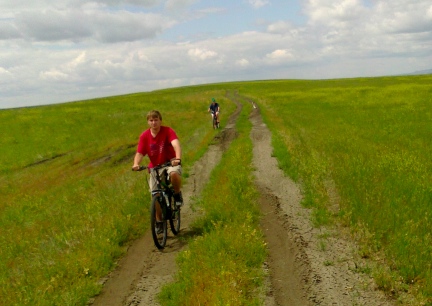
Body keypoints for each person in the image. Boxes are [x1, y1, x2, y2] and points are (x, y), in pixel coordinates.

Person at [132, 110, 183, 208]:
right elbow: (140, 153)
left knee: (174, 174)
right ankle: (159, 222)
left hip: (171, 162)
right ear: (148, 122)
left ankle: (177, 195)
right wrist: (136, 164)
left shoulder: (168, 131)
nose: (154, 123)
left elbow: (176, 144)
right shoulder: (144, 136)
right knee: (155, 196)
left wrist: (178, 158)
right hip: (155, 166)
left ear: (160, 121)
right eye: (151, 120)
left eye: (156, 120)